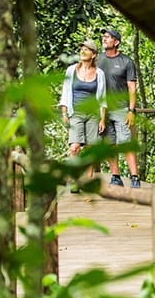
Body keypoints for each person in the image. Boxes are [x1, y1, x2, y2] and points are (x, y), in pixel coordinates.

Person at [97, 27, 140, 188]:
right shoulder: (98, 60)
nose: (104, 39)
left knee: (125, 142)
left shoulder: (127, 62)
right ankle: (116, 175)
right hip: (103, 110)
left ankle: (134, 176)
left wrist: (131, 110)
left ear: (116, 42)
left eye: (108, 37)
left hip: (122, 109)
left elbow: (132, 88)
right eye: (104, 37)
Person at [58, 39, 106, 178]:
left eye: (86, 49)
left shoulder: (99, 73)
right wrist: (64, 113)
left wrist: (102, 119)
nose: (83, 51)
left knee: (90, 149)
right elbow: (65, 92)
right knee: (75, 147)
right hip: (76, 112)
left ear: (93, 55)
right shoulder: (71, 70)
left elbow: (102, 97)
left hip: (93, 114)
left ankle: (87, 180)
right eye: (82, 49)